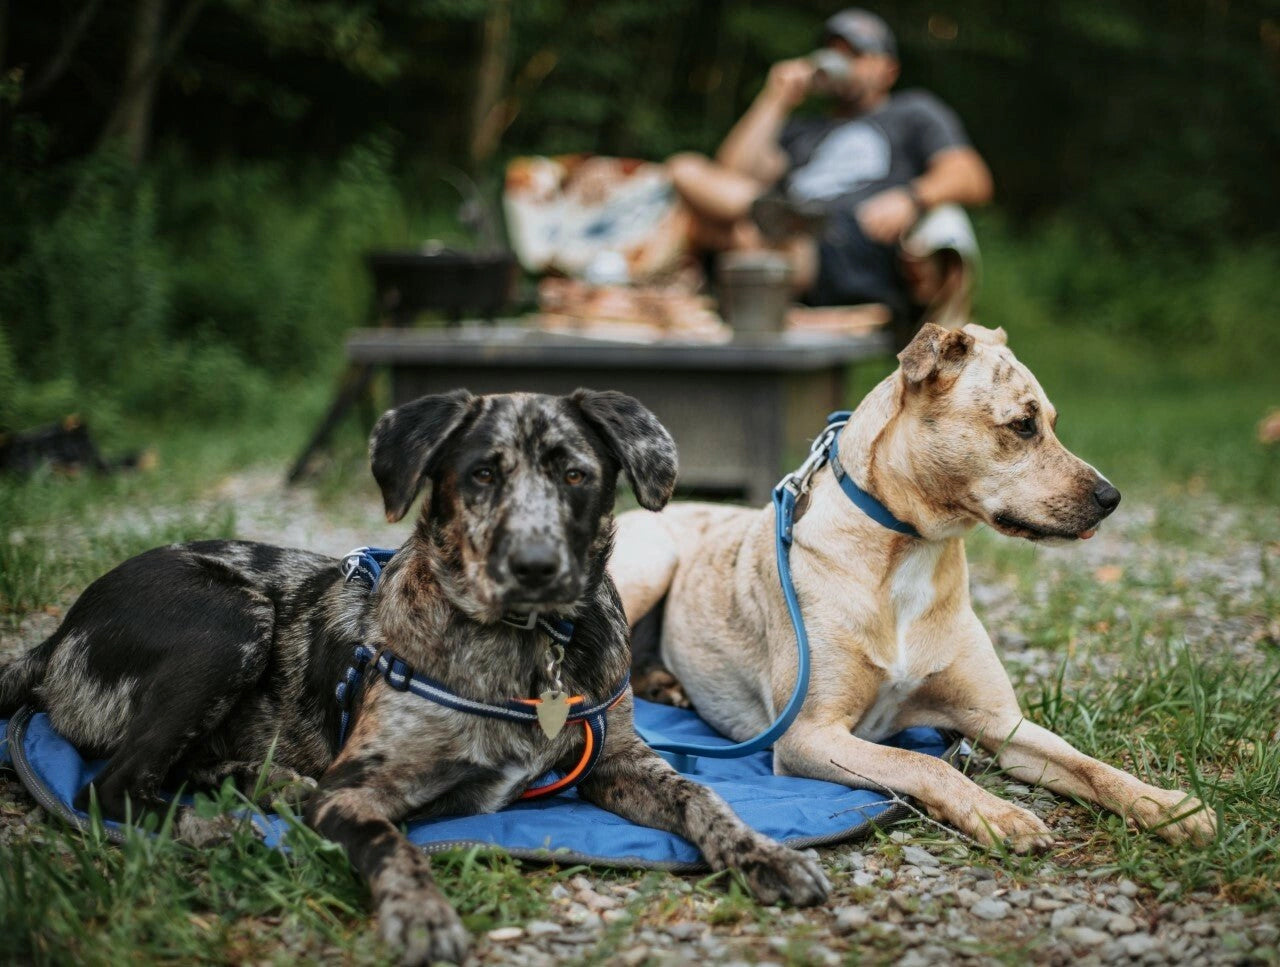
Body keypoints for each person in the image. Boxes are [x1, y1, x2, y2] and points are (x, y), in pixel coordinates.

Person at [668, 8, 993, 329]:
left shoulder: (911, 113)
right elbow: (732, 174)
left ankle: (777, 222)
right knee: (684, 168)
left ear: (888, 70)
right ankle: (775, 216)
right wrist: (775, 98)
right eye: (833, 51)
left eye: (857, 53)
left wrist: (912, 198)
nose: (841, 61)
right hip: (776, 236)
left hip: (844, 247)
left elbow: (971, 176)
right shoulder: (803, 130)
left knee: (718, 230)